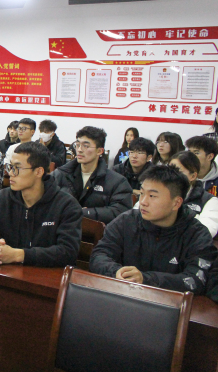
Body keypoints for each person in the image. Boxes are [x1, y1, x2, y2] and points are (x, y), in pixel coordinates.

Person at [90, 165, 217, 294]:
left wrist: (146, 280)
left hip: (169, 303)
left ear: (176, 203)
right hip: (122, 295)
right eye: (142, 193)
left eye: (152, 196)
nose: (143, 202)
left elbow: (196, 280)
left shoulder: (197, 235)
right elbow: (99, 255)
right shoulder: (126, 222)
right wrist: (116, 272)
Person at [0, 142, 82, 267]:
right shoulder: (1, 198)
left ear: (39, 172)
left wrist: (19, 255)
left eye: (17, 168)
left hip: (48, 274)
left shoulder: (67, 205)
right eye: (10, 167)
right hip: (8, 272)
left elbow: (68, 252)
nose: (10, 173)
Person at [52, 126, 133, 224]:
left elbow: (120, 211)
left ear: (100, 151)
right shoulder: (61, 174)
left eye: (86, 146)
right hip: (62, 229)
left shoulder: (117, 182)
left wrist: (86, 213)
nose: (79, 150)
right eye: (77, 145)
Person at [168, 151, 218, 238]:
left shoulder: (209, 200)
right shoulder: (157, 194)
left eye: (178, 171)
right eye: (169, 171)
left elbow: (206, 232)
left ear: (193, 176)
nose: (172, 176)